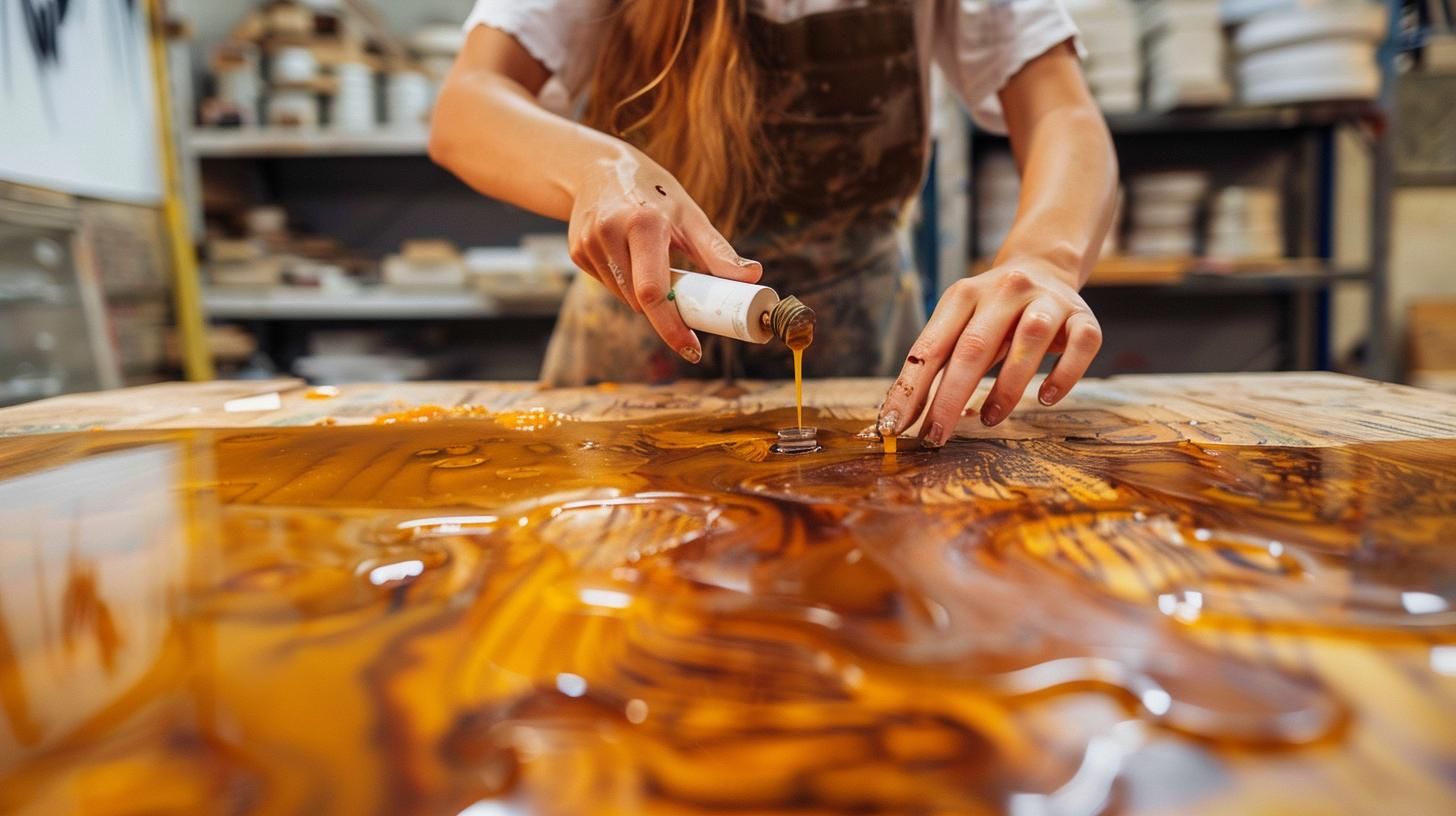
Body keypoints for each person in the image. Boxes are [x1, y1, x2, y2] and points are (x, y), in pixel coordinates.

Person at [431, 0, 1117, 447]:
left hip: (856, 345)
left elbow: (1061, 111)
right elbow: (466, 105)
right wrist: (594, 170)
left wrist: (1047, 257)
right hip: (636, 339)